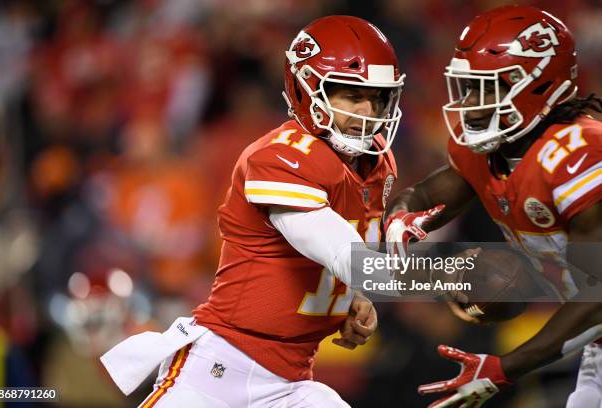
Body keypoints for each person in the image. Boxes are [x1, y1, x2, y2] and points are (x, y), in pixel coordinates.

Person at [101, 15, 405, 407]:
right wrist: (464, 276)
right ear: (306, 89)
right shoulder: (281, 156)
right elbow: (339, 249)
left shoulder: (377, 165)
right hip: (218, 372)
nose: (368, 110)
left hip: (293, 382)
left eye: (378, 97)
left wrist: (354, 299)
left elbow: (343, 260)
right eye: (351, 93)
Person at [383, 5, 602, 408]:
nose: (472, 102)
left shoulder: (579, 152)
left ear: (539, 85)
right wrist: (398, 219)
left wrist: (505, 367)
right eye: (468, 87)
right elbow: (427, 197)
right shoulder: (487, 153)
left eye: (488, 88)